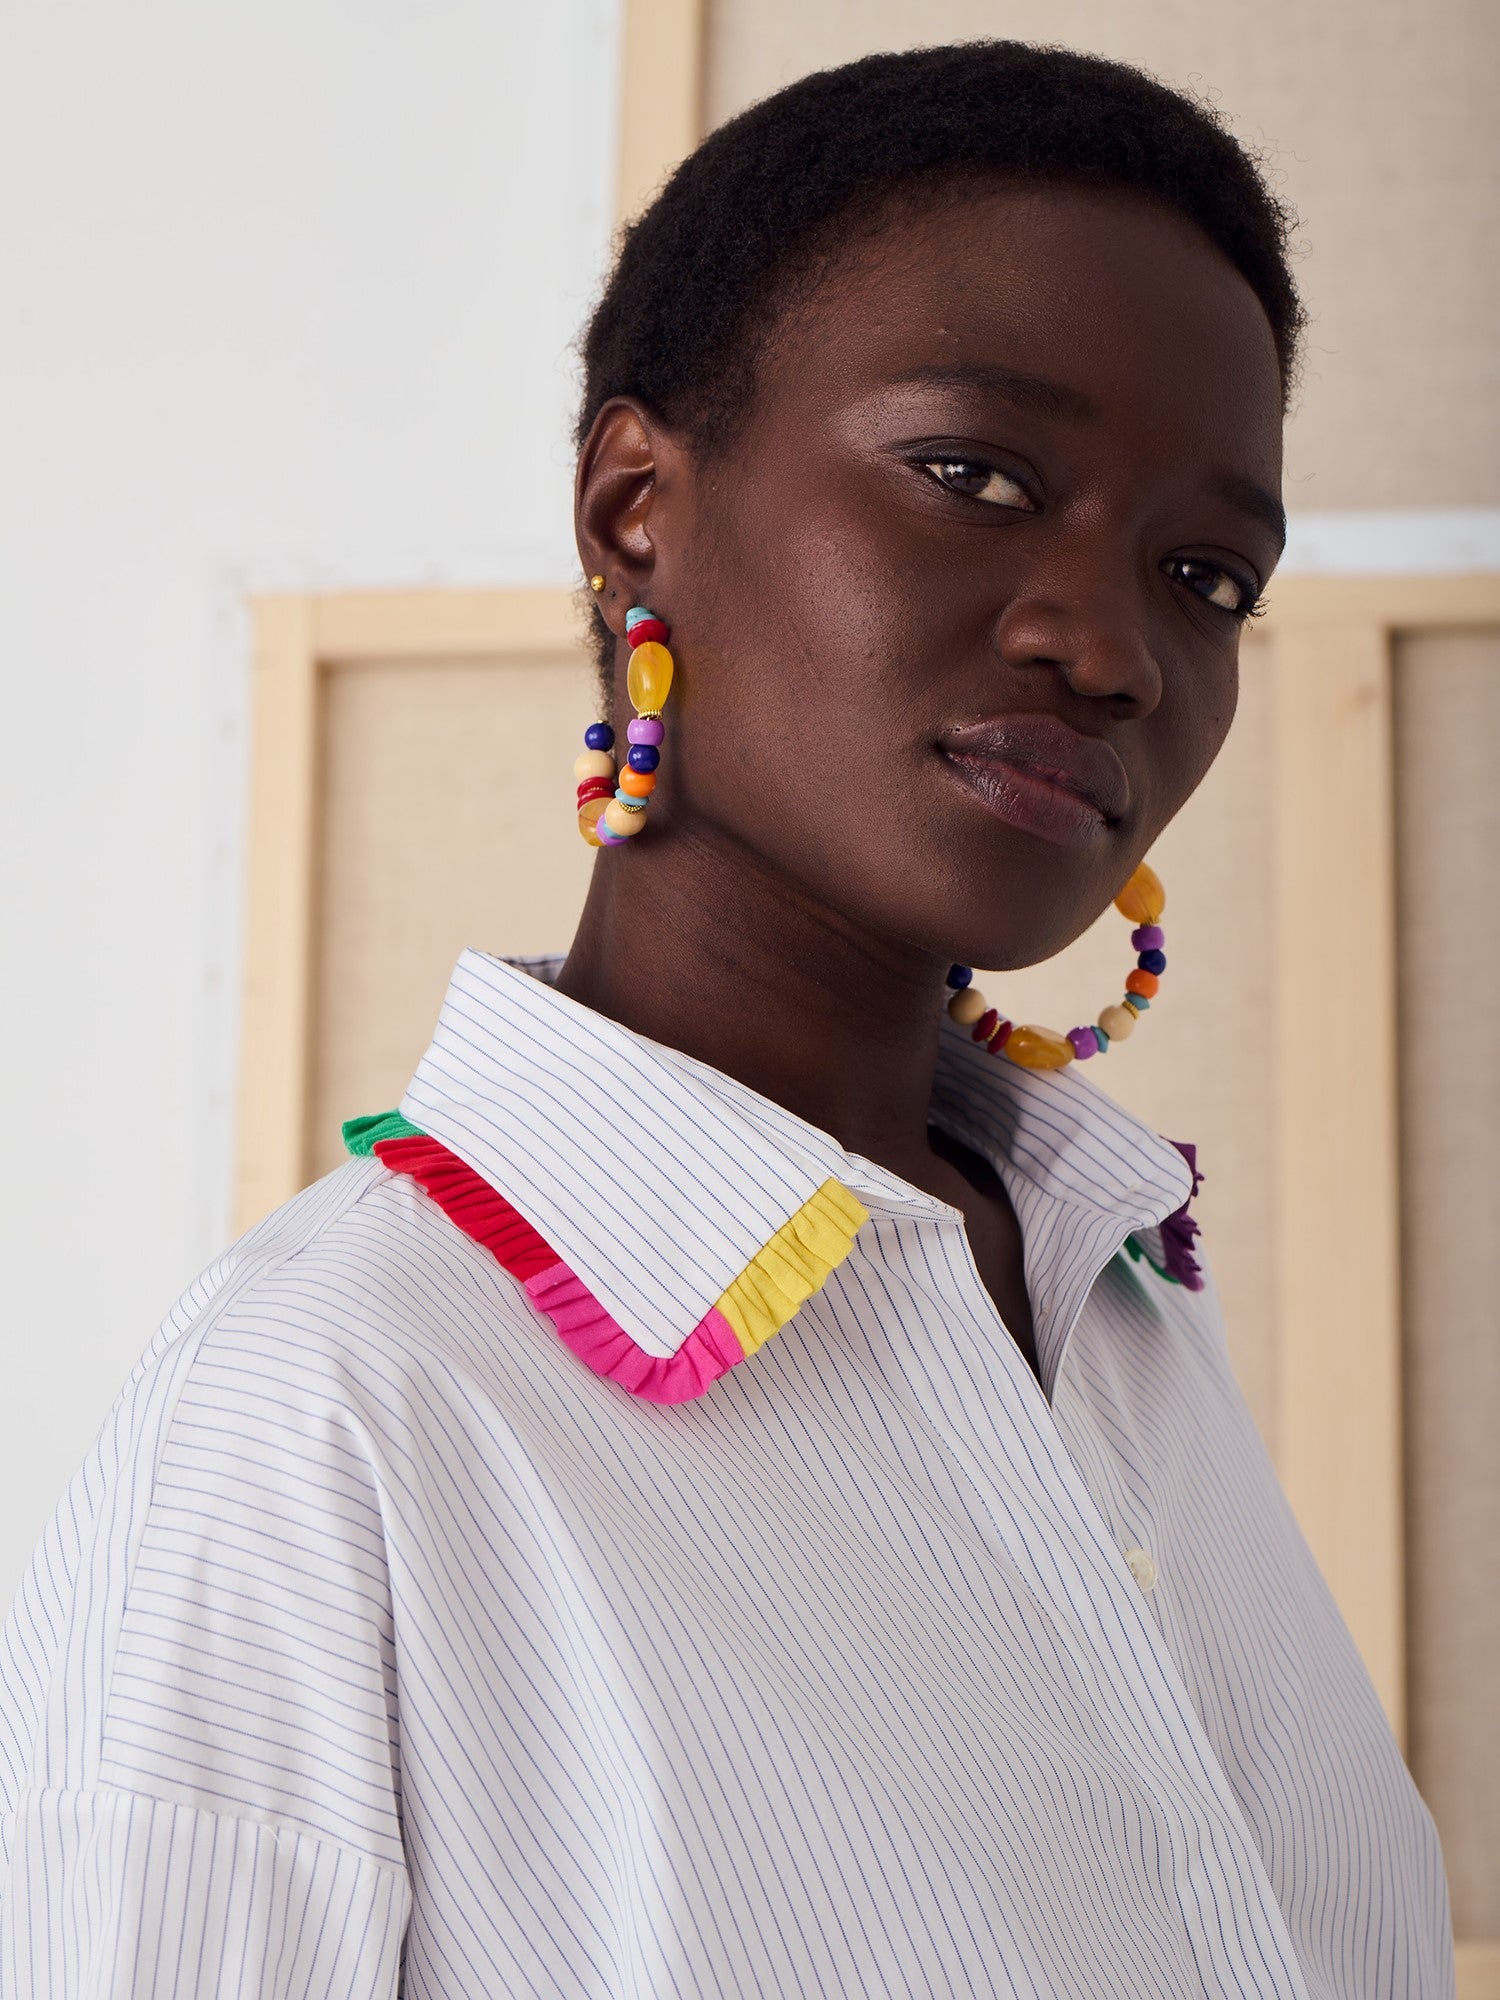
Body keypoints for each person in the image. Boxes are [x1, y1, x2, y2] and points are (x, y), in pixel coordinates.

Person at [0, 40, 1455, 2000]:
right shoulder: (322, 1410)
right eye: (976, 477)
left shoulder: (1124, 1304)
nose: (1112, 647)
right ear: (635, 510)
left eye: (1206, 576)